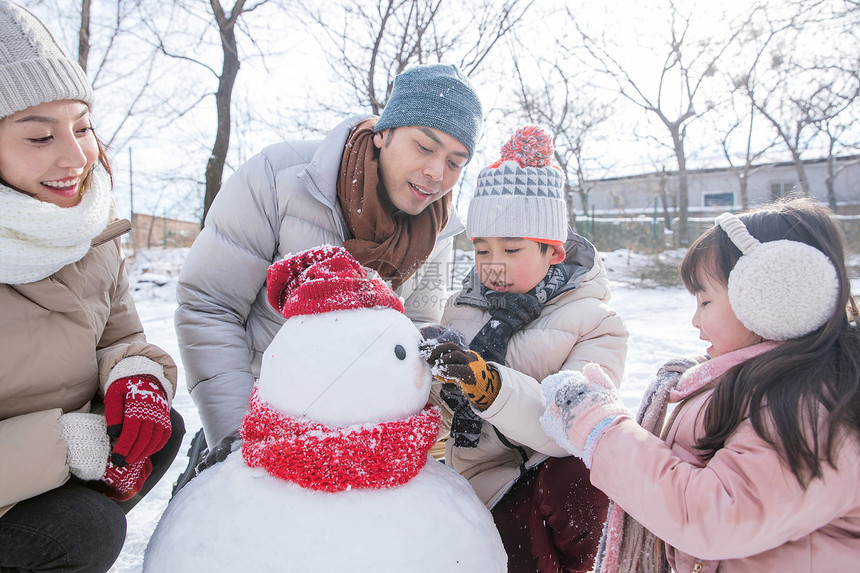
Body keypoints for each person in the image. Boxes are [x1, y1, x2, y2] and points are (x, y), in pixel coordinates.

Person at [173, 62, 484, 479]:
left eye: (455, 162)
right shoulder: (279, 178)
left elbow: (415, 326)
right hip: (260, 416)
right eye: (425, 148)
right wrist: (241, 436)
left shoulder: (437, 231)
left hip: (363, 437)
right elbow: (209, 306)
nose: (436, 173)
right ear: (384, 133)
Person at [541, 197, 860, 572]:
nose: (695, 319)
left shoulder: (812, 411)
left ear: (773, 298)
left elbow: (709, 516)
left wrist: (602, 430)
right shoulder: (765, 385)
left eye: (706, 301)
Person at [0, 2, 185, 571]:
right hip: (25, 458)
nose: (76, 156)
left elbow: (120, 334)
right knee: (83, 532)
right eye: (40, 136)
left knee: (157, 430)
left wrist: (137, 377)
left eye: (82, 126)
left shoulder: (90, 225)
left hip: (34, 467)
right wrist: (65, 443)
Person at [421, 126, 629, 573]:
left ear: (552, 251)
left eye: (512, 249)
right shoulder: (460, 308)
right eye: (481, 249)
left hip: (545, 482)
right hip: (476, 480)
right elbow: (436, 409)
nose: (493, 265)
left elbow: (573, 426)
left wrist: (491, 388)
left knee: (583, 473)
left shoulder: (596, 322)